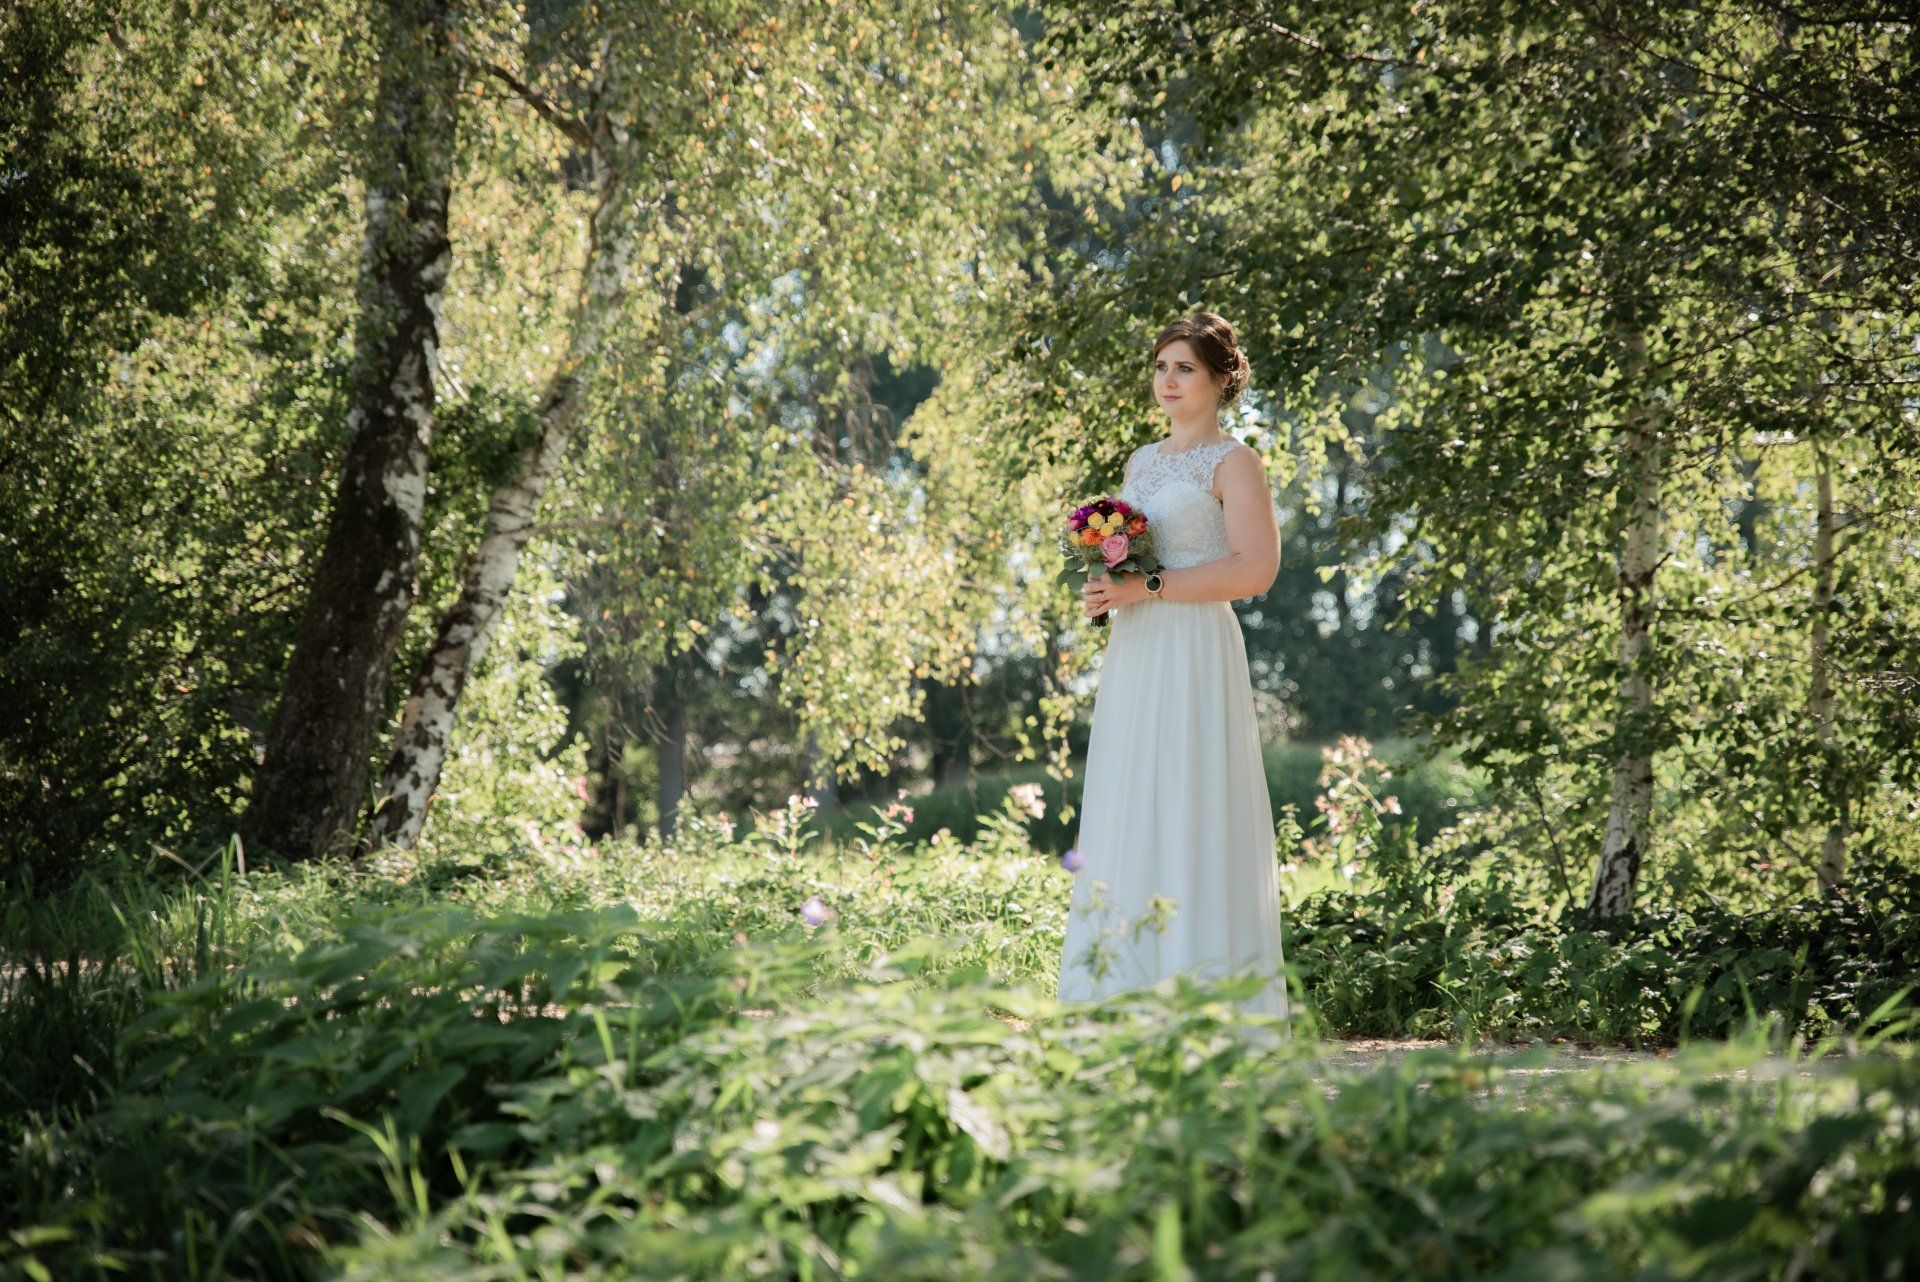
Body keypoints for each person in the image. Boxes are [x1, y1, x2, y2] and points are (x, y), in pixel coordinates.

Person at [1056, 311, 1291, 1026]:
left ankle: (1206, 1000)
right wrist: (1108, 591)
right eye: (1161, 366)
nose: (1168, 380)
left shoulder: (1235, 462)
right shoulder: (1142, 463)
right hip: (1139, 652)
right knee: (1132, 801)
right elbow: (1136, 561)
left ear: (1222, 379)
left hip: (1195, 651)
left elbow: (1256, 569)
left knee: (1194, 801)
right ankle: (1123, 996)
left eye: (1184, 367)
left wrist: (1149, 588)